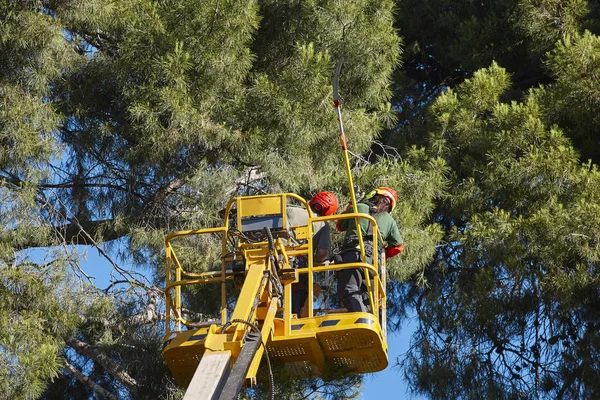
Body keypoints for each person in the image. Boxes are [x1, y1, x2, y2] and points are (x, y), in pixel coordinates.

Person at [336, 187, 404, 313]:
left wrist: (351, 205)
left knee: (349, 288)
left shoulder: (358, 208)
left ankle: (361, 318)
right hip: (373, 261)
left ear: (373, 195)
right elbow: (398, 246)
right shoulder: (390, 221)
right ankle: (368, 318)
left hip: (353, 255)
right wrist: (382, 255)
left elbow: (339, 225)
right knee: (367, 297)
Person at [288, 191, 339, 316]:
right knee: (298, 297)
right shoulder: (322, 224)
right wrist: (318, 262)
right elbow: (322, 253)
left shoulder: (289, 210)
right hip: (294, 266)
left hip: (268, 258)